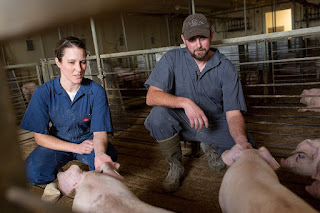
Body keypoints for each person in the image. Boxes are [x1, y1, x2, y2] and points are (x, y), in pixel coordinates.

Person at [144, 13, 255, 192]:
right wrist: (185, 102)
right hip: (183, 121)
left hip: (214, 123)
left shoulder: (225, 67)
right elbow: (152, 96)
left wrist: (241, 140)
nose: (198, 45)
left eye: (202, 37)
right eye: (192, 39)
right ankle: (175, 166)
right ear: (183, 39)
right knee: (158, 115)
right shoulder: (172, 59)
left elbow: (233, 112)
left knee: (248, 149)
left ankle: (210, 146)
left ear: (211, 35)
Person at [20, 36, 118, 185]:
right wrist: (76, 148)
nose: (79, 69)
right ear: (58, 62)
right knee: (32, 173)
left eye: (83, 62)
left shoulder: (96, 91)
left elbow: (99, 133)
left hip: (89, 141)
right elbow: (40, 138)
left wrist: (99, 154)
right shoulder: (43, 92)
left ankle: (84, 177)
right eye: (71, 62)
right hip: (58, 141)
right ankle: (63, 177)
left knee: (104, 166)